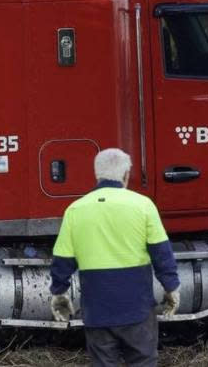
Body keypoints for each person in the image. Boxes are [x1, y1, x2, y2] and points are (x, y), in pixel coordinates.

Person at [49, 148, 180, 367]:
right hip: (136, 309)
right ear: (126, 174)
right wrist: (171, 287)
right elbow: (161, 253)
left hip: (97, 311)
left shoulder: (75, 210)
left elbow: (62, 260)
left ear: (97, 174)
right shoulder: (143, 205)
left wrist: (59, 292)